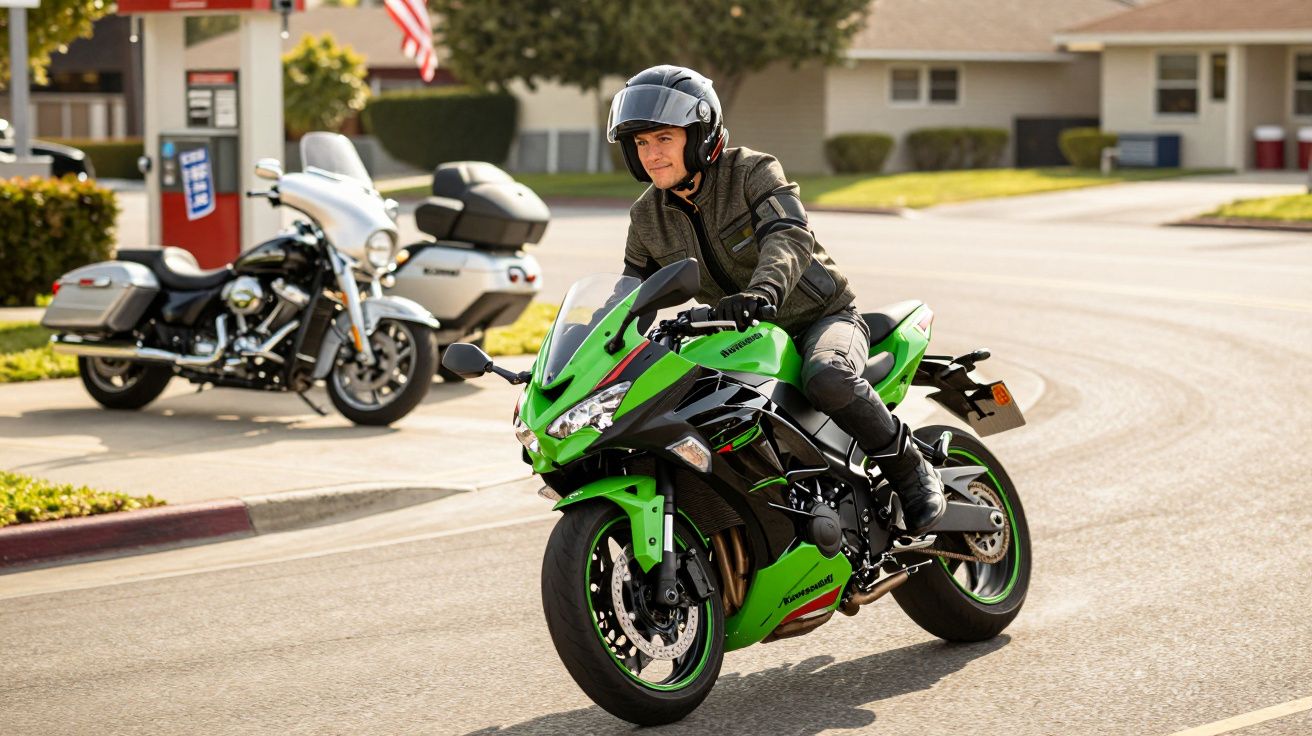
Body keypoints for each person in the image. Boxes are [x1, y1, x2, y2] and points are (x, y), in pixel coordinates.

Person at [608, 65, 945, 535]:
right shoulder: (647, 216)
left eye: (663, 138)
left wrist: (761, 292)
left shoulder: (751, 171)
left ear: (700, 135)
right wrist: (596, 345)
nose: (652, 154)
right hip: (738, 337)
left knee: (828, 378)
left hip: (818, 319)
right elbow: (631, 295)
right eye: (641, 143)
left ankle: (912, 471)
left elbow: (787, 236)